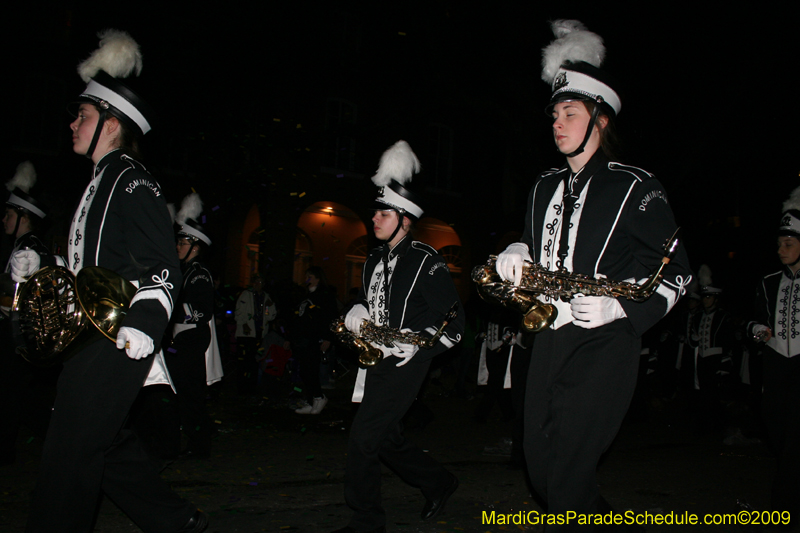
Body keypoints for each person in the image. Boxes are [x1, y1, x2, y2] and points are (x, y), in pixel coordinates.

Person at [495, 20, 692, 531]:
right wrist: (516, 250)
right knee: (540, 462)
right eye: (554, 114)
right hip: (548, 338)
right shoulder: (543, 186)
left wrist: (622, 308)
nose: (557, 124)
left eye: (570, 113)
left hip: (605, 341)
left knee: (566, 469)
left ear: (600, 120)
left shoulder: (636, 186)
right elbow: (533, 246)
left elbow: (678, 273)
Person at [10, 30, 208, 532]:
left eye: (82, 115)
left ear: (111, 123)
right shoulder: (102, 179)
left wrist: (146, 321)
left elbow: (161, 263)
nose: (72, 123)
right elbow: (93, 263)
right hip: (91, 337)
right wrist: (40, 263)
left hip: (115, 336)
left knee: (70, 454)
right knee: (104, 444)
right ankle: (175, 520)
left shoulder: (130, 177)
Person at [331, 140, 465, 533]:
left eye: (384, 212)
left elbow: (454, 322)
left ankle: (366, 521)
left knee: (363, 438)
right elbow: (369, 299)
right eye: (375, 211)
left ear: (405, 219)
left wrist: (419, 346)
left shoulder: (426, 259)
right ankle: (439, 482)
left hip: (406, 363)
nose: (374, 218)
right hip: (375, 359)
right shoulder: (373, 258)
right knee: (386, 439)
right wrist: (358, 309)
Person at [747, 186, 800, 523]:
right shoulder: (767, 282)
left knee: (794, 438)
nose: (781, 250)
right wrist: (758, 330)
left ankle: (782, 507)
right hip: (776, 365)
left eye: (789, 244)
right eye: (780, 244)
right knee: (778, 432)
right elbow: (753, 320)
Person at [0, 161, 52, 465]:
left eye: (9, 214)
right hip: (13, 331)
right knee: (17, 394)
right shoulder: (18, 245)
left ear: (23, 216)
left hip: (20, 332)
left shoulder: (31, 249)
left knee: (15, 394)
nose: (4, 219)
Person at [166, 192, 222, 458]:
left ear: (195, 246)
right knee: (181, 393)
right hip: (179, 340)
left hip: (192, 340)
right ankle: (197, 434)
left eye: (183, 242)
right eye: (178, 241)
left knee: (190, 396)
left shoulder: (199, 274)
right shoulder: (184, 270)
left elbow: (201, 311)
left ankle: (199, 444)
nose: (178, 246)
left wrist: (170, 311)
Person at [283, 265, 337, 414]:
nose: (307, 280)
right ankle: (311, 400)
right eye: (306, 277)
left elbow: (330, 318)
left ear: (318, 279)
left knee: (311, 370)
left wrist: (328, 338)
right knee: (304, 371)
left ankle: (319, 397)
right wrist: (290, 338)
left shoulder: (325, 296)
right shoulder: (305, 296)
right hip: (301, 339)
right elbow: (297, 319)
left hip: (314, 339)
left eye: (310, 277)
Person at [234, 273, 277, 394]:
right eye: (256, 282)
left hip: (259, 334)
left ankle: (252, 387)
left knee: (255, 361)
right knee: (244, 361)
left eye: (260, 282)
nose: (258, 284)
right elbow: (238, 312)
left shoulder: (265, 296)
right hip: (246, 334)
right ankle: (242, 387)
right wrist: (244, 324)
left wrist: (269, 307)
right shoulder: (246, 294)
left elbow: (269, 316)